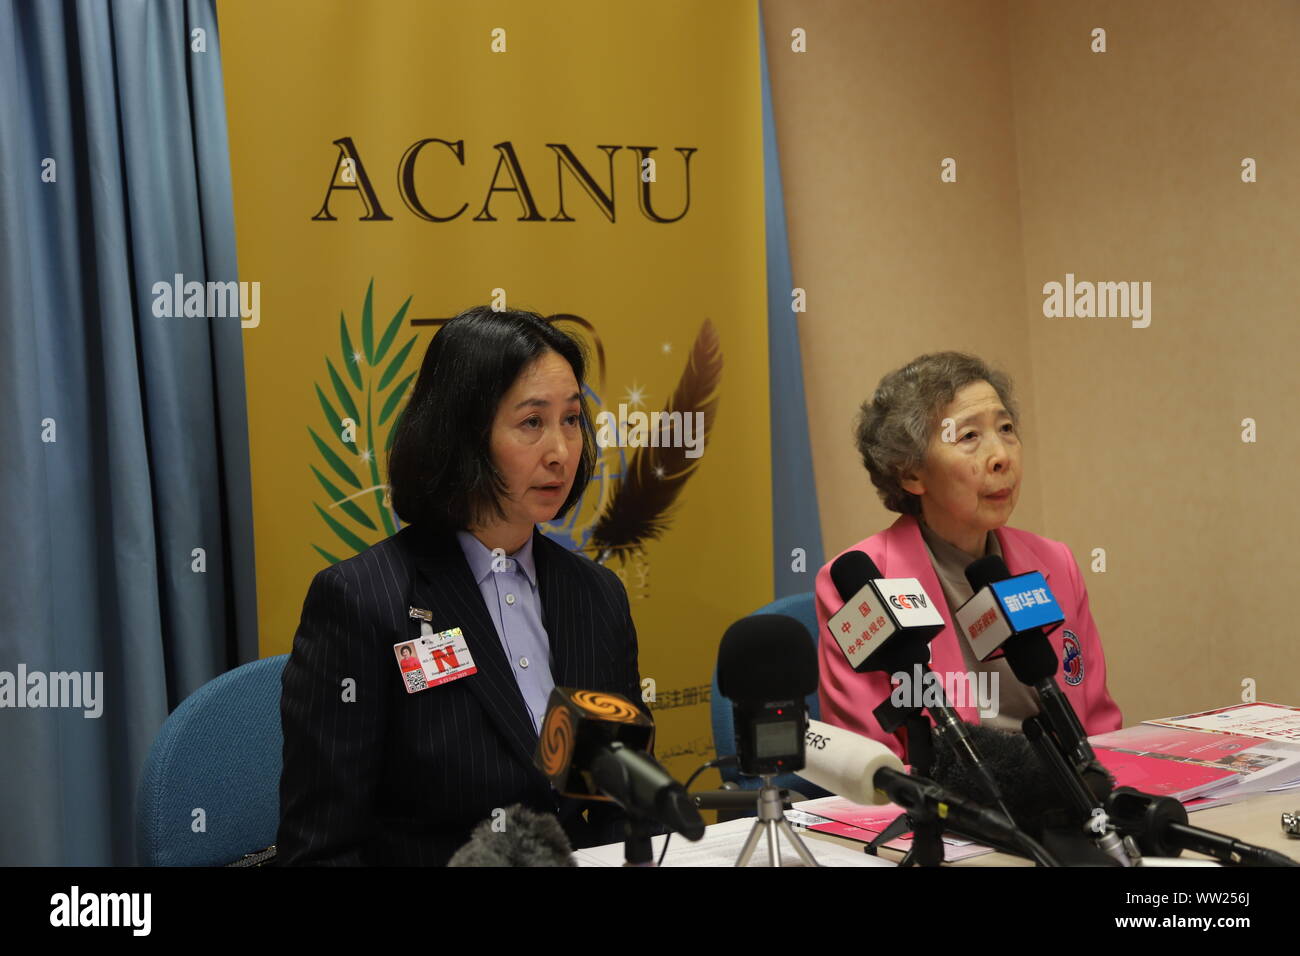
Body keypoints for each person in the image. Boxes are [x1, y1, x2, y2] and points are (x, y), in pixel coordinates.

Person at [277, 305, 645, 865]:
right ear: (463, 437)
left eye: (571, 419)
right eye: (531, 423)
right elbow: (322, 851)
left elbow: (619, 810)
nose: (561, 451)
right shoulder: (362, 601)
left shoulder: (595, 595)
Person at [815, 352, 1122, 762]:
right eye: (968, 437)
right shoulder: (859, 582)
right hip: (953, 812)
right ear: (911, 473)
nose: (1001, 457)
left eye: (1006, 429)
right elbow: (873, 768)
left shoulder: (1056, 562)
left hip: (1069, 801)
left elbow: (1099, 730)